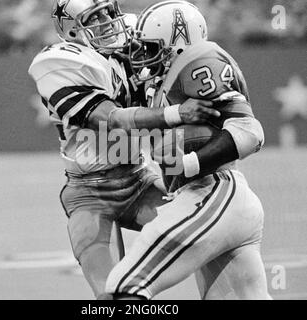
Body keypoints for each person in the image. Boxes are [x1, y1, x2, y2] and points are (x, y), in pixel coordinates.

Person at [28, 0, 219, 298]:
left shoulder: (132, 39)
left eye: (107, 11)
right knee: (113, 294)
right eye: (95, 17)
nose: (106, 20)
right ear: (72, 31)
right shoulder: (62, 62)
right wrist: (175, 114)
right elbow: (111, 119)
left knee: (208, 238)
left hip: (138, 179)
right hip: (89, 193)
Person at [105, 1, 271, 300]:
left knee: (124, 287)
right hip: (214, 200)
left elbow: (249, 132)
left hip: (212, 192)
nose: (142, 55)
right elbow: (125, 122)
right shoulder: (163, 83)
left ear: (177, 45)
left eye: (150, 47)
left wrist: (190, 165)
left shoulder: (198, 60)